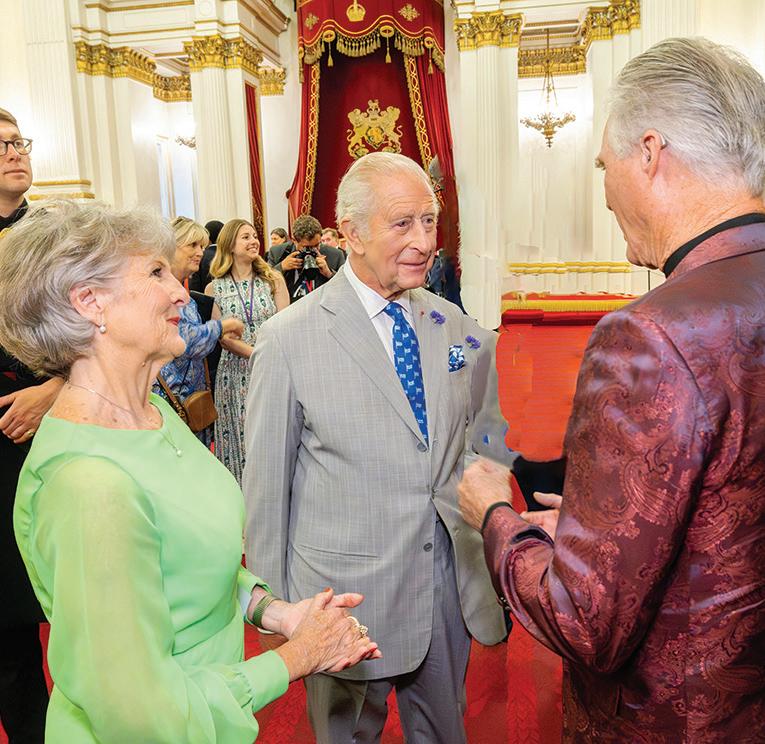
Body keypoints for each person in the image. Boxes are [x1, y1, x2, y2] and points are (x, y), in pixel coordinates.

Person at [458, 37, 765, 743]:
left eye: (604, 166)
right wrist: (599, 526)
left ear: (649, 153)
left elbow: (583, 621)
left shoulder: (649, 336)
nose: (603, 191)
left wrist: (496, 519)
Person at [0, 200, 380, 743]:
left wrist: (276, 613)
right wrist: (296, 657)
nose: (182, 292)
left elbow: (193, 559)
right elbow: (141, 717)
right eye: (156, 272)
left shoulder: (153, 413)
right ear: (89, 302)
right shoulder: (89, 484)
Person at [244, 152, 510, 744]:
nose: (424, 242)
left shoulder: (457, 327)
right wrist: (272, 605)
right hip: (344, 597)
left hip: (444, 587)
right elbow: (265, 488)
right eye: (403, 224)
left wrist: (487, 504)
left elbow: (486, 434)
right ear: (352, 233)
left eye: (429, 221)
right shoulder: (287, 340)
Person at [0, 107, 53, 743]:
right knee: (10, 635)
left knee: (83, 610)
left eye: (19, 143)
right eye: (1, 146)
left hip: (59, 437)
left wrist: (54, 391)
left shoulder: (58, 236)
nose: (16, 153)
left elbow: (105, 332)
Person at [205, 219, 288, 485]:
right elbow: (224, 338)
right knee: (240, 438)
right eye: (246, 237)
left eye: (254, 235)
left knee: (272, 435)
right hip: (234, 375)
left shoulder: (273, 279)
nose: (254, 241)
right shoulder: (214, 288)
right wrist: (257, 355)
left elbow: (286, 324)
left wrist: (266, 357)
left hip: (272, 369)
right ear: (230, 244)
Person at [152, 217, 243, 445]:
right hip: (171, 404)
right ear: (171, 248)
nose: (200, 252)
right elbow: (184, 342)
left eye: (202, 246)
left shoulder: (184, 294)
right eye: (193, 245)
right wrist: (222, 326)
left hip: (189, 400)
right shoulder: (161, 292)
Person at [267, 214, 345, 301]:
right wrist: (281, 267)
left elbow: (345, 289)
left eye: (317, 245)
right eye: (307, 247)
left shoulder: (335, 255)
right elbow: (265, 284)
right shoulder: (277, 253)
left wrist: (329, 274)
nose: (313, 250)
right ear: (294, 240)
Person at [188, 218, 223, 293]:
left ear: (208, 238)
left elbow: (194, 288)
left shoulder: (200, 257)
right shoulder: (230, 256)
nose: (200, 253)